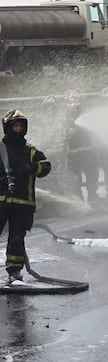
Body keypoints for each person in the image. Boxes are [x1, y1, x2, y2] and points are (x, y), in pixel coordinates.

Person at [0, 110, 51, 285]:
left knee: (16, 239)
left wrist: (32, 168)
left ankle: (14, 272)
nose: (18, 129)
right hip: (1, 202)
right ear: (8, 128)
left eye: (21, 126)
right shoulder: (1, 149)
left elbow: (46, 166)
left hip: (23, 204)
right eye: (15, 126)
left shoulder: (31, 151)